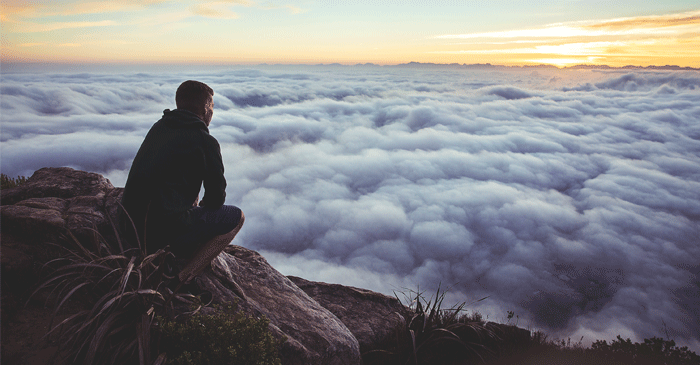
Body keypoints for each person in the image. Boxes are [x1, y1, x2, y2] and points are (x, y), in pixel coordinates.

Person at [121, 80, 244, 284]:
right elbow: (216, 199)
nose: (212, 113)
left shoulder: (159, 127)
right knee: (236, 217)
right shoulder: (205, 141)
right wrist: (199, 207)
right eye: (212, 107)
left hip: (129, 226)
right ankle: (181, 278)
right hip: (161, 235)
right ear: (206, 109)